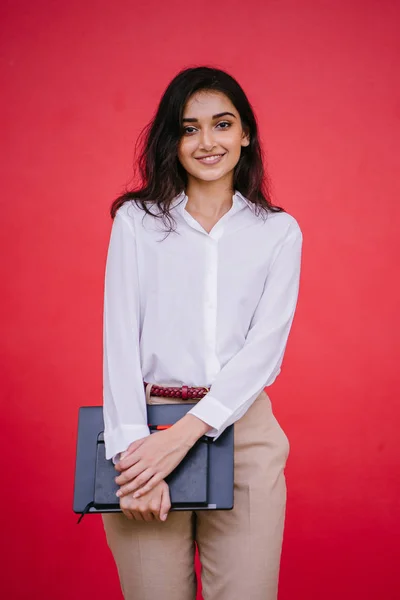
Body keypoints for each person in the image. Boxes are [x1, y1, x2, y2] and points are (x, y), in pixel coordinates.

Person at [101, 65, 303, 600]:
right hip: (144, 432)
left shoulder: (278, 232)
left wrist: (188, 434)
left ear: (245, 134)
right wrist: (131, 452)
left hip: (245, 434)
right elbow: (119, 339)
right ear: (172, 139)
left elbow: (266, 351)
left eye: (221, 124)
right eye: (189, 128)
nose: (207, 141)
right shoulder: (137, 222)